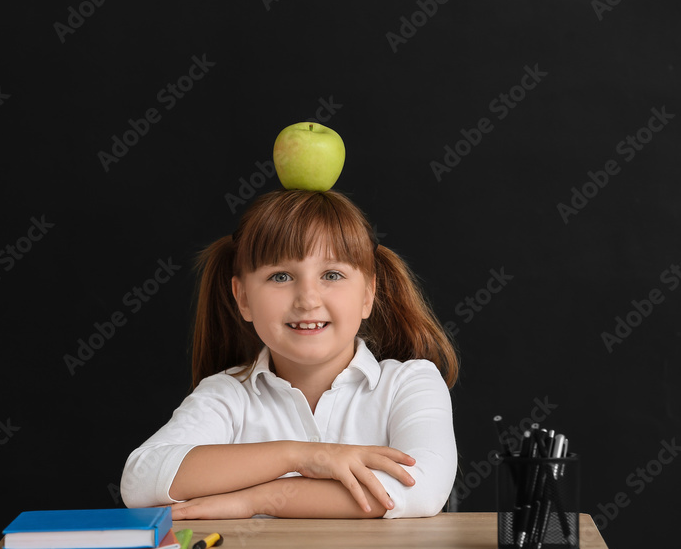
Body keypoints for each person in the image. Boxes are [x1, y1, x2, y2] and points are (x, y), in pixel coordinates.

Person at [120, 188, 459, 519]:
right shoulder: (227, 394)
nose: (307, 299)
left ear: (368, 294)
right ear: (243, 298)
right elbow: (140, 481)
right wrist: (301, 456)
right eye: (280, 276)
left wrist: (259, 499)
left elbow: (420, 490)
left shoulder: (409, 383)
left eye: (332, 275)